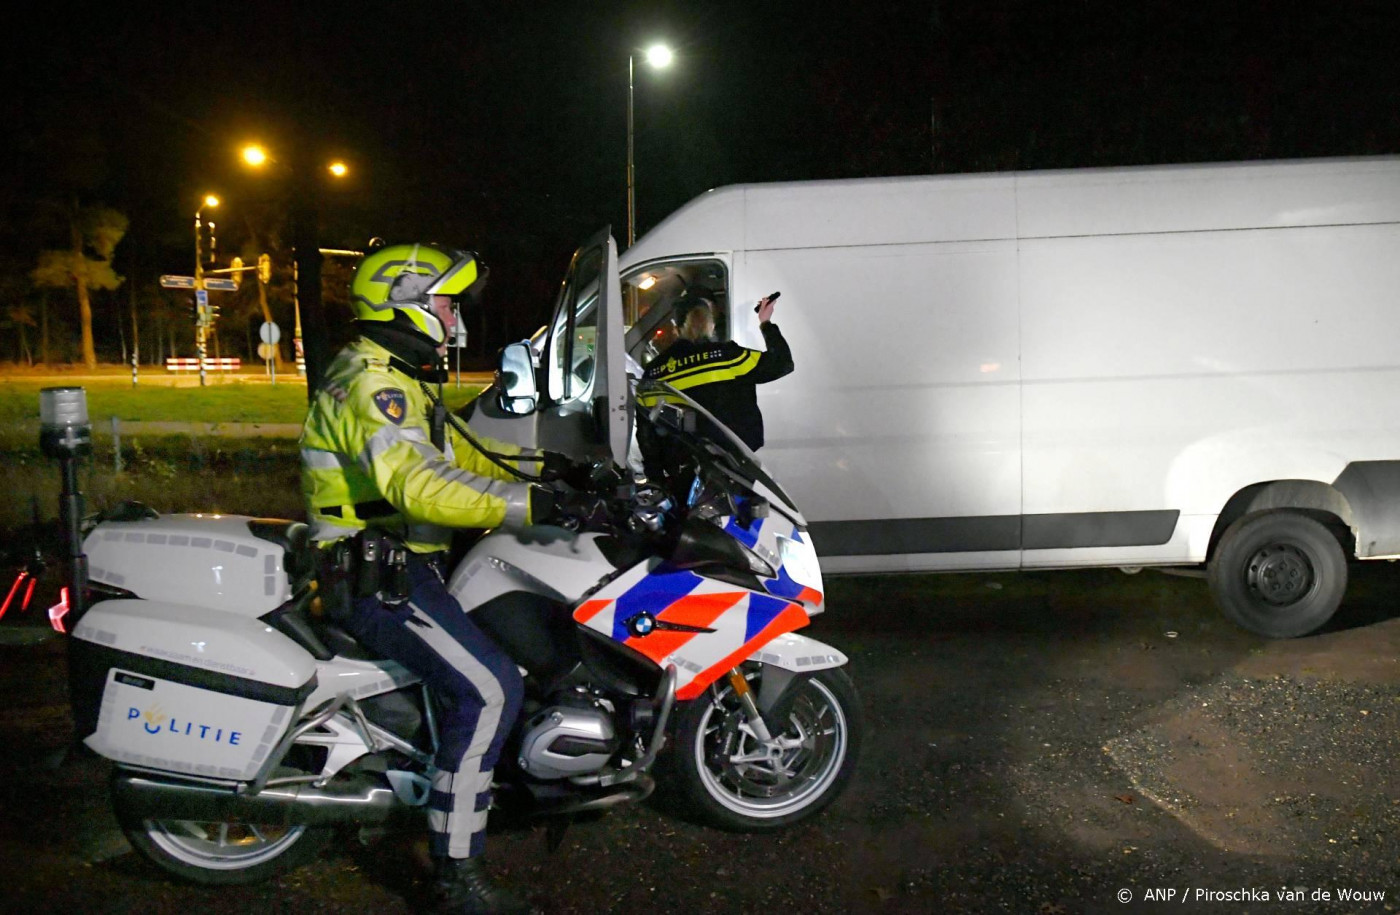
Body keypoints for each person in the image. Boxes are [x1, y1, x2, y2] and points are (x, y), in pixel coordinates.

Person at [300, 242, 546, 915]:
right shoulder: (370, 386)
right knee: (493, 686)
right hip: (377, 574)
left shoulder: (402, 379)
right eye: (444, 301)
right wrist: (532, 504)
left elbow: (470, 453)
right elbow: (418, 484)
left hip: (407, 565)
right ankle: (454, 876)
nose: (453, 317)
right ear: (403, 300)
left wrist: (557, 470)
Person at [639, 290, 794, 452]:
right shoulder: (730, 356)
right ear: (711, 325)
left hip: (680, 467)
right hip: (730, 465)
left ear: (676, 328)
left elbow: (646, 431)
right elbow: (782, 363)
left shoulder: (654, 372)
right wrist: (765, 323)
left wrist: (655, 474)